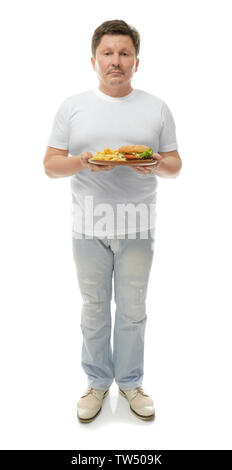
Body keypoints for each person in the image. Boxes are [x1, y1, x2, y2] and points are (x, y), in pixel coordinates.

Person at [43, 19, 182, 424]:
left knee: (133, 310)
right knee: (94, 308)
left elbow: (175, 164)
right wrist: (80, 162)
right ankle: (97, 383)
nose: (116, 61)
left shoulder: (156, 107)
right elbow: (51, 166)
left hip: (138, 227)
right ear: (94, 60)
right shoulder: (72, 106)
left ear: (137, 62)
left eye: (124, 53)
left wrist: (155, 165)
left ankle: (132, 383)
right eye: (108, 53)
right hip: (88, 228)